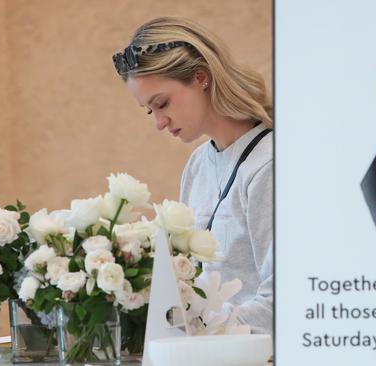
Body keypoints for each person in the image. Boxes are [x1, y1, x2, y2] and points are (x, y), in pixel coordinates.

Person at [113, 17, 273, 335]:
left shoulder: (268, 164)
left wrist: (190, 326)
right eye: (149, 110)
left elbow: (280, 305)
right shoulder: (198, 164)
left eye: (162, 103)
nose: (159, 122)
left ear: (201, 77)